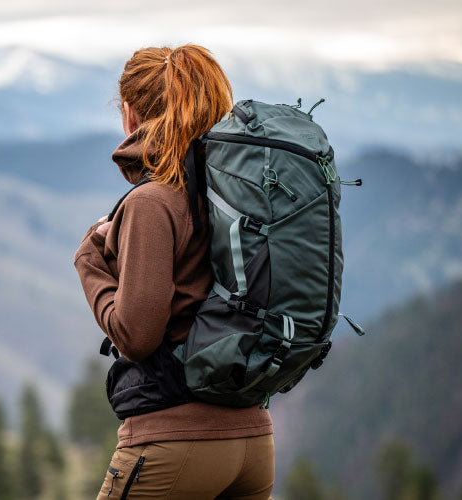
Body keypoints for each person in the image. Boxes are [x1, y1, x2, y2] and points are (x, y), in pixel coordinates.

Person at [73, 44, 274, 499]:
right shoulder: (232, 195)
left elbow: (138, 334)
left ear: (130, 114)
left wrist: (90, 263)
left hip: (176, 442)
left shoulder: (151, 201)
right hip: (253, 442)